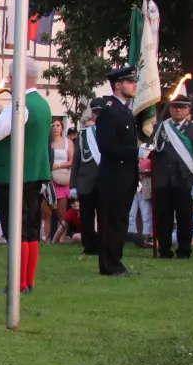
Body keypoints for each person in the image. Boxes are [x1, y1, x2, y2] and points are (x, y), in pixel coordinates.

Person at [0, 61, 52, 291]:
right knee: (30, 229)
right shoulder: (42, 104)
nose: (6, 81)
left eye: (9, 77)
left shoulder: (18, 105)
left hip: (14, 175)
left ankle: (17, 283)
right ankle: (28, 281)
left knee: (15, 229)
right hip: (35, 173)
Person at [95, 66, 142, 276]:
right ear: (117, 85)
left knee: (120, 221)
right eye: (130, 82)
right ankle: (109, 264)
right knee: (111, 222)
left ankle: (116, 260)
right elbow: (107, 147)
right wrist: (136, 152)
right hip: (113, 176)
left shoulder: (125, 111)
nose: (134, 85)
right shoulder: (109, 111)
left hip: (126, 176)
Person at [150, 91, 193, 259]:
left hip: (185, 180)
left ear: (188, 110)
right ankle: (165, 250)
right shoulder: (161, 126)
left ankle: (184, 250)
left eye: (182, 108)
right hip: (163, 181)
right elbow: (153, 149)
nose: (178, 111)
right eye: (174, 108)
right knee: (163, 218)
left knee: (185, 218)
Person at [70, 99, 104, 257]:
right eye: (95, 113)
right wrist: (73, 186)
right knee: (87, 217)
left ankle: (103, 245)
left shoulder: (112, 132)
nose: (98, 116)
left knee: (104, 216)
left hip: (105, 181)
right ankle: (89, 246)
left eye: (100, 113)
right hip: (86, 181)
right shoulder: (84, 134)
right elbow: (76, 161)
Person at [49, 118, 73, 241]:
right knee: (46, 211)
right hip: (50, 178)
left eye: (58, 125)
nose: (55, 127)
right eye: (53, 125)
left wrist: (58, 166)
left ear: (62, 128)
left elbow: (72, 161)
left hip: (62, 178)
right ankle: (47, 237)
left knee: (61, 213)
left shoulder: (68, 142)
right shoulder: (48, 142)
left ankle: (61, 238)